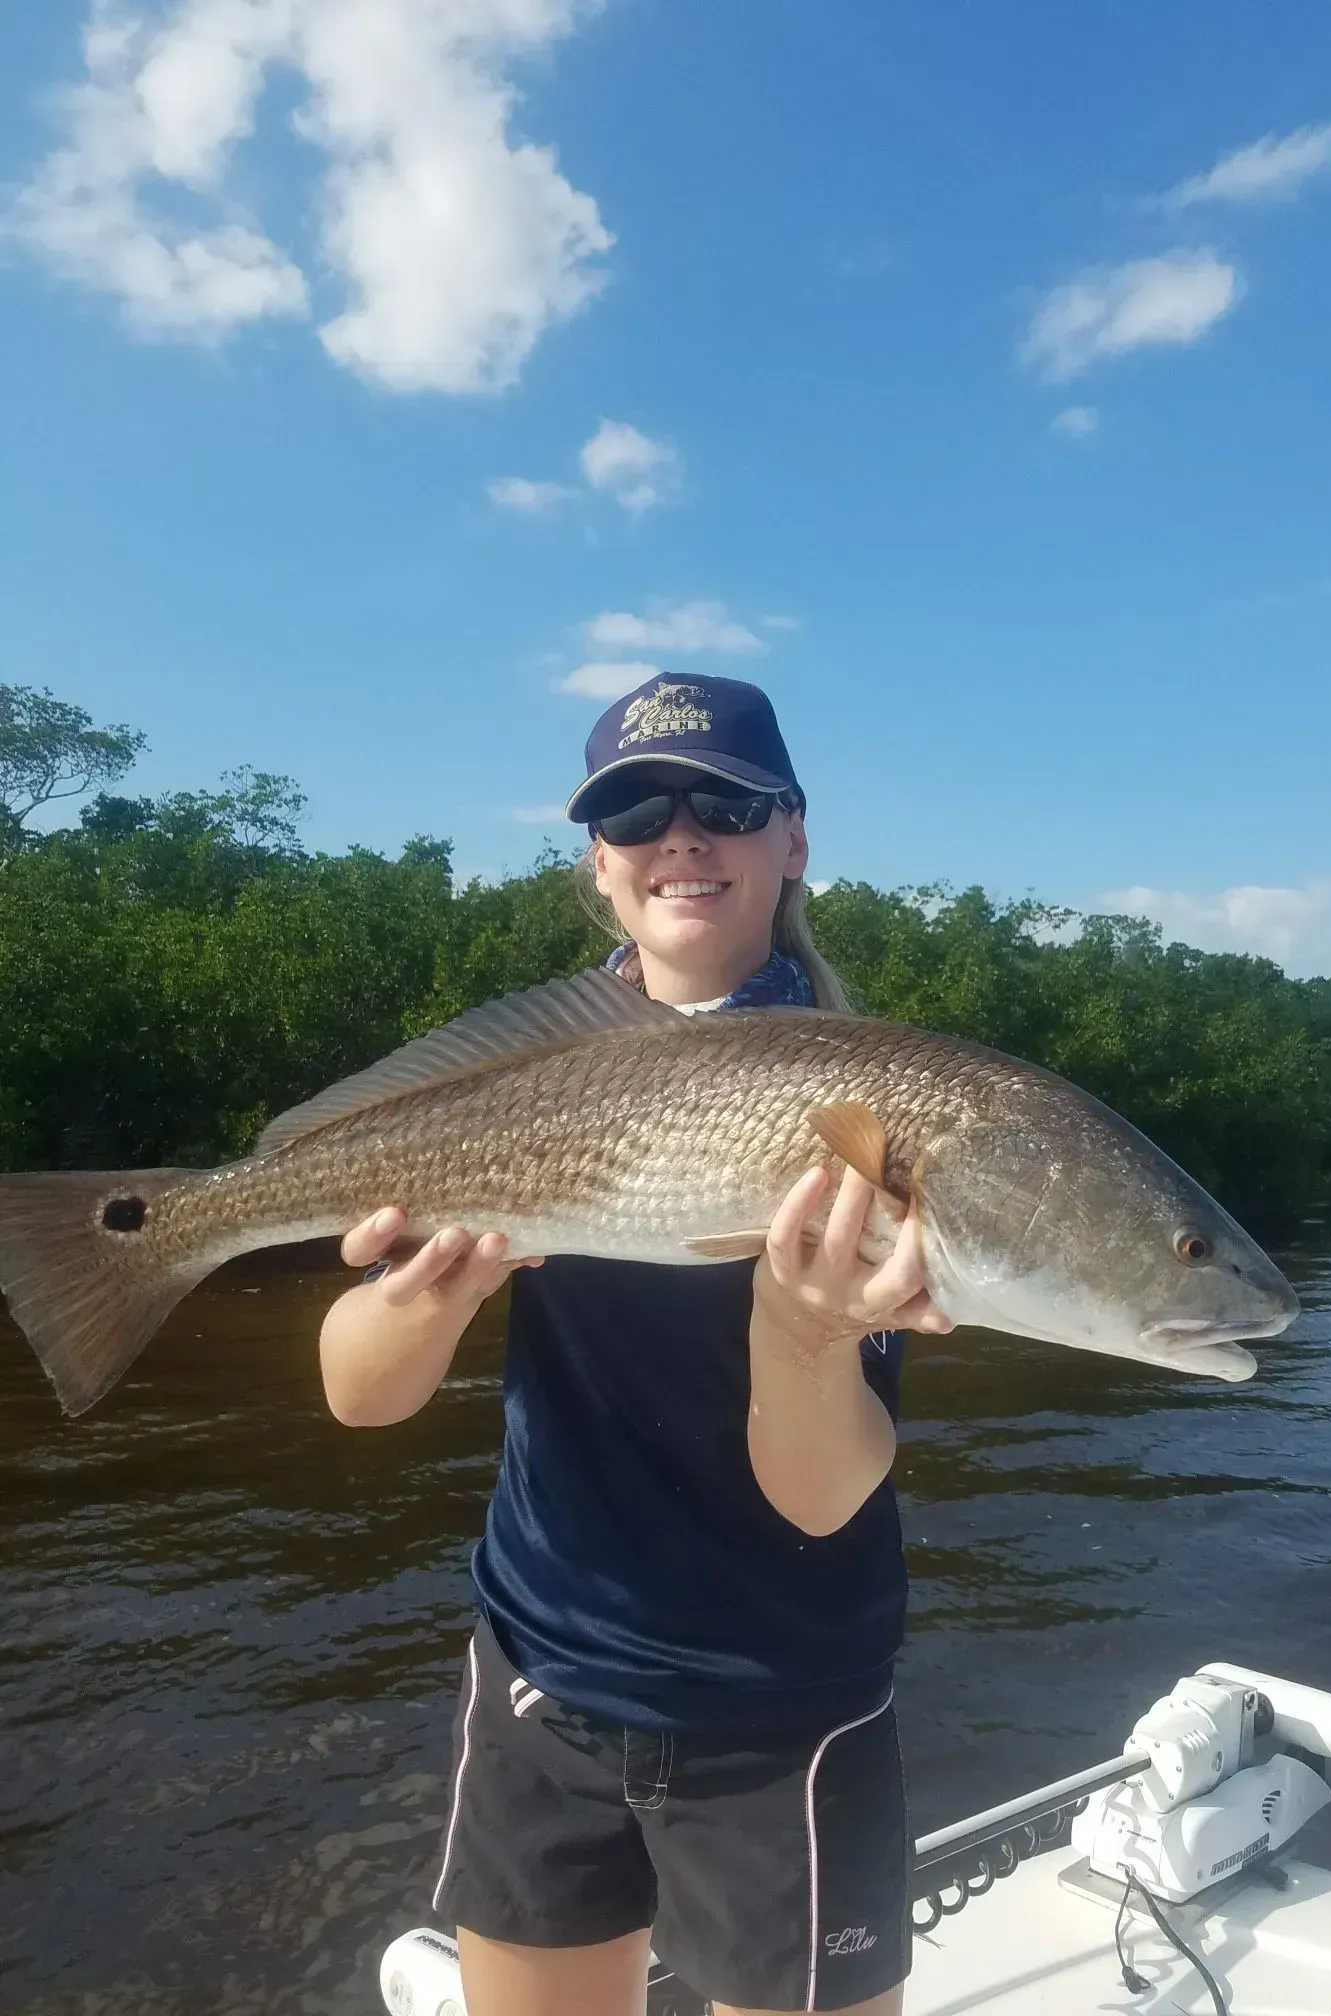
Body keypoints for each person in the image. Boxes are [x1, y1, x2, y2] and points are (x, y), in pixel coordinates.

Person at [319, 672, 953, 2016]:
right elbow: (358, 1401)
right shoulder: (517, 1089)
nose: (682, 833)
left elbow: (824, 1493)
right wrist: (422, 1299)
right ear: (599, 868)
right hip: (542, 1679)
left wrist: (800, 1331)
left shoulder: (866, 1105)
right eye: (635, 810)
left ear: (793, 838)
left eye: (724, 803)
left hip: (784, 1710)